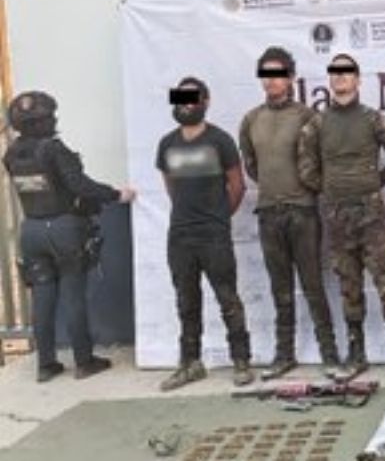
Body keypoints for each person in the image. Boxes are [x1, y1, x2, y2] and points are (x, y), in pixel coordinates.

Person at [3, 91, 136, 382]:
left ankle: (45, 365)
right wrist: (115, 194)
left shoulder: (11, 154)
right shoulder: (53, 149)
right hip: (64, 229)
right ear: (45, 120)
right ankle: (84, 361)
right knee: (73, 294)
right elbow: (79, 185)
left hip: (32, 230)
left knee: (42, 299)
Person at [297, 54, 385, 382]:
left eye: (346, 72)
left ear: (358, 79)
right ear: (329, 80)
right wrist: (332, 188)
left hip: (371, 214)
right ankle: (356, 353)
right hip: (337, 216)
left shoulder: (374, 119)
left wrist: (373, 183)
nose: (340, 77)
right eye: (334, 72)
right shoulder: (317, 124)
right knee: (348, 285)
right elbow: (306, 169)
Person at [238, 46, 340, 380]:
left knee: (313, 285)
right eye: (265, 75)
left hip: (303, 213)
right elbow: (252, 166)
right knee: (280, 289)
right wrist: (275, 188)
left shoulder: (308, 116)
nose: (271, 81)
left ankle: (330, 354)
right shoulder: (251, 120)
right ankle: (284, 355)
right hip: (268, 212)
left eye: (277, 74)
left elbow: (319, 163)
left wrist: (300, 191)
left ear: (291, 78)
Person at [155, 77, 254, 390]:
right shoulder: (167, 144)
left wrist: (218, 217)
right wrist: (188, 214)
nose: (185, 104)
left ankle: (241, 361)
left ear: (205, 101)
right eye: (180, 97)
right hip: (180, 236)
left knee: (227, 298)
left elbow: (237, 186)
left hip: (214, 235)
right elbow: (170, 186)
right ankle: (190, 363)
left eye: (192, 97)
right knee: (186, 302)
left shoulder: (220, 141)